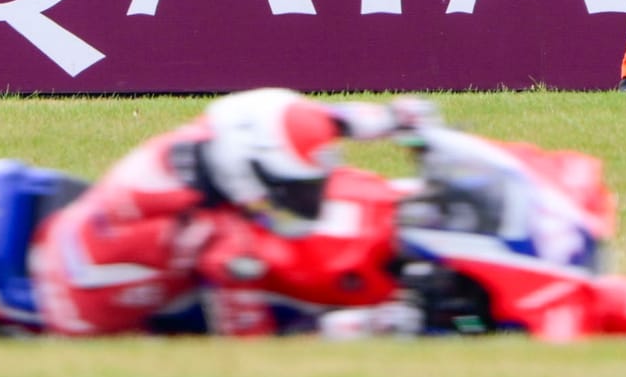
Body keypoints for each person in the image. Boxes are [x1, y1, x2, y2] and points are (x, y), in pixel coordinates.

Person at [31, 88, 430, 336]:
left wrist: (393, 119)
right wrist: (354, 327)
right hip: (91, 306)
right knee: (278, 275)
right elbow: (249, 343)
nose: (310, 196)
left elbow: (316, 121)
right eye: (297, 188)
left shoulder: (218, 140)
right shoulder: (205, 230)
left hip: (94, 232)